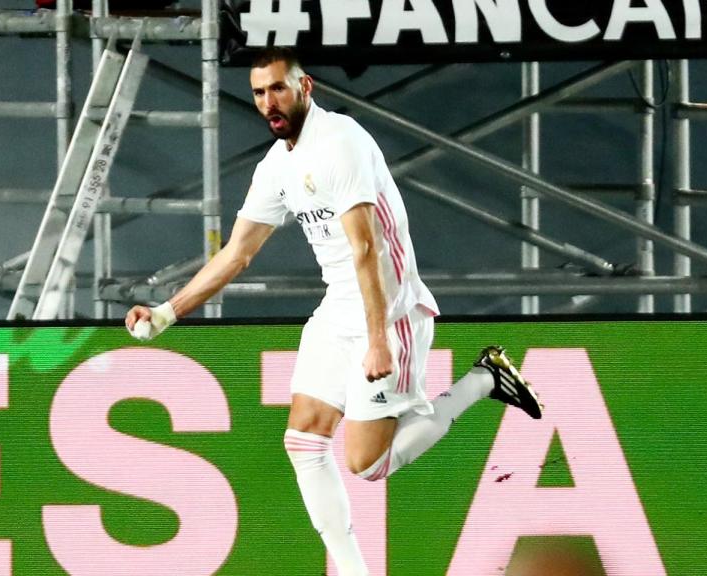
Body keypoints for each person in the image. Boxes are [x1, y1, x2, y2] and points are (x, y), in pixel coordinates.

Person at [124, 48, 542, 576]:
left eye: (278, 88)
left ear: (306, 87)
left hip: (390, 314)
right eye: (258, 92)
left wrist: (377, 340)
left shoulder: (340, 143)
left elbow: (365, 249)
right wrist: (166, 313)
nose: (267, 102)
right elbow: (238, 252)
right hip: (337, 311)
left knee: (368, 464)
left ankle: (485, 378)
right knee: (302, 440)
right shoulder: (279, 165)